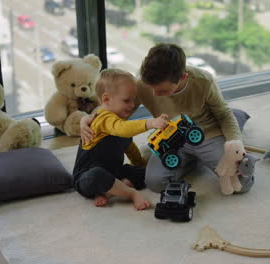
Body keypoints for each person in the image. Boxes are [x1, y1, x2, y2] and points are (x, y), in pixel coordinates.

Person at [81, 43, 254, 194]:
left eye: (163, 91)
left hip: (206, 133)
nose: (155, 95)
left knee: (243, 185)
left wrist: (234, 141)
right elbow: (115, 111)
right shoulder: (144, 84)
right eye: (152, 89)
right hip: (171, 138)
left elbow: (223, 114)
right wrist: (89, 119)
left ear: (182, 77)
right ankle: (197, 161)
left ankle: (236, 120)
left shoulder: (203, 81)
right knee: (155, 183)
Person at [73, 68, 168, 210]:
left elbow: (130, 148)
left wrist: (140, 165)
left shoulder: (121, 121)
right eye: (126, 100)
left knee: (145, 173)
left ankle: (112, 190)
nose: (132, 105)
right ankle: (130, 193)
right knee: (96, 176)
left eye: (133, 100)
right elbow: (121, 129)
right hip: (87, 176)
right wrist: (150, 123)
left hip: (114, 171)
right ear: (106, 99)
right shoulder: (102, 118)